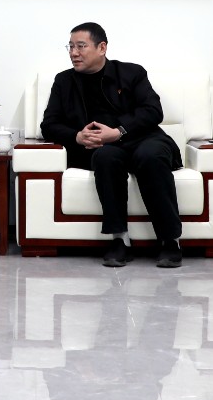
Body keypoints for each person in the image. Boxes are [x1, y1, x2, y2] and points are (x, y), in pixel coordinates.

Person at [40, 22, 184, 268]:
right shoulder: (64, 81)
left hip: (143, 139)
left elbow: (153, 111)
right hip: (102, 149)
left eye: (81, 46)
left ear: (102, 48)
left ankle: (170, 240)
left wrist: (118, 132)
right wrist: (77, 136)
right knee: (105, 158)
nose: (74, 53)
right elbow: (49, 124)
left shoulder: (131, 73)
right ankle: (120, 240)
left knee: (150, 156)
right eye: (70, 47)